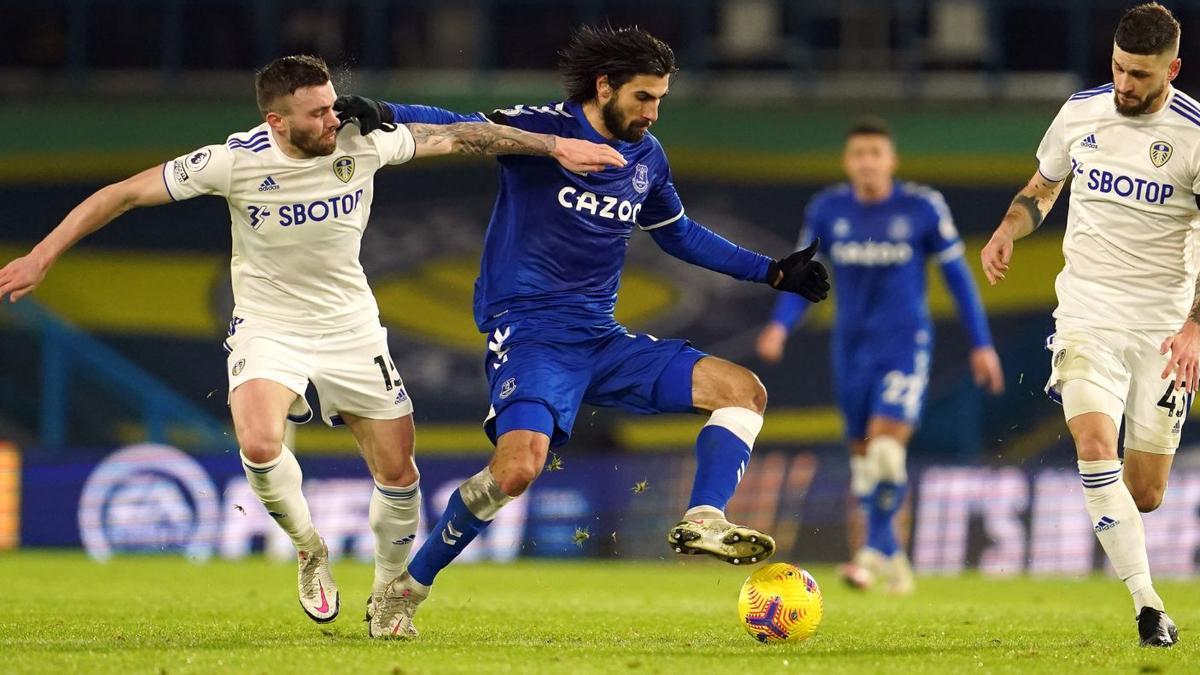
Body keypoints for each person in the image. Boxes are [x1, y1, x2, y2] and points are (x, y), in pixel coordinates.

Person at [0, 55, 624, 634]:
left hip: (352, 328)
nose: (333, 118)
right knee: (260, 441)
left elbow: (463, 135)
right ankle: (310, 548)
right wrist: (42, 256)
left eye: (332, 105)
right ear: (276, 120)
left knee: (398, 474)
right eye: (318, 112)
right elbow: (122, 194)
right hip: (270, 326)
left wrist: (555, 145)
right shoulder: (232, 161)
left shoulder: (362, 140)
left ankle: (387, 596)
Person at [334, 24, 830, 638]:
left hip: (601, 338)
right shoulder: (541, 129)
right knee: (516, 470)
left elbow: (676, 232)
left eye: (660, 100)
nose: (653, 112)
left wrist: (773, 271)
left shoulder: (646, 158)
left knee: (743, 389)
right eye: (643, 97)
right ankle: (405, 590)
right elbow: (461, 125)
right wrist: (386, 112)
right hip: (532, 334)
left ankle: (704, 517)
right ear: (605, 86)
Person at [981, 2, 1195, 648]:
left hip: (1163, 329)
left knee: (1145, 491)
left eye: (1141, 75)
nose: (1126, 85)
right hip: (1087, 313)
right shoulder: (1081, 112)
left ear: (1173, 69)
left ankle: (1133, 550)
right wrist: (1008, 227)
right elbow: (1041, 188)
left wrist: (1193, 327)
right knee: (1094, 445)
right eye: (1120, 69)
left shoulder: (1192, 134)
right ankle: (1148, 604)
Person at [756, 118, 1004, 594]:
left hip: (904, 343)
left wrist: (981, 343)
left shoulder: (922, 208)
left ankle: (870, 553)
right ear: (847, 162)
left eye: (876, 152)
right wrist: (779, 326)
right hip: (850, 349)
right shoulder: (828, 210)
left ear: (891, 160)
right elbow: (800, 275)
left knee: (888, 451)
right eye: (859, 153)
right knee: (865, 462)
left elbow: (958, 278)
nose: (867, 161)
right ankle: (891, 554)